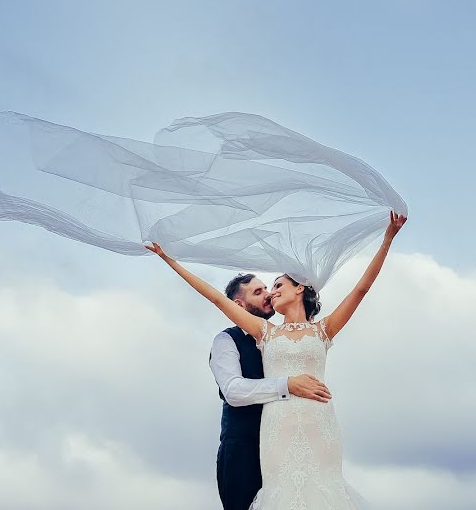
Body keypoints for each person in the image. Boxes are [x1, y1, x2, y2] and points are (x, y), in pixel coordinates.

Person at [146, 211, 407, 508]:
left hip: (318, 423)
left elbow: (361, 289)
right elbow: (217, 298)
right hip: (276, 429)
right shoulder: (264, 333)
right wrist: (169, 260)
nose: (271, 293)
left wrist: (387, 238)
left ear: (300, 288)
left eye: (278, 285)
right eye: (266, 289)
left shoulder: (324, 330)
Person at [210, 273, 333, 510]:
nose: (268, 294)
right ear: (238, 305)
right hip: (243, 450)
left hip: (285, 445)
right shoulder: (227, 340)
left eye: (267, 288)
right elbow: (233, 391)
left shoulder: (279, 339)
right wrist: (286, 384)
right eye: (258, 292)